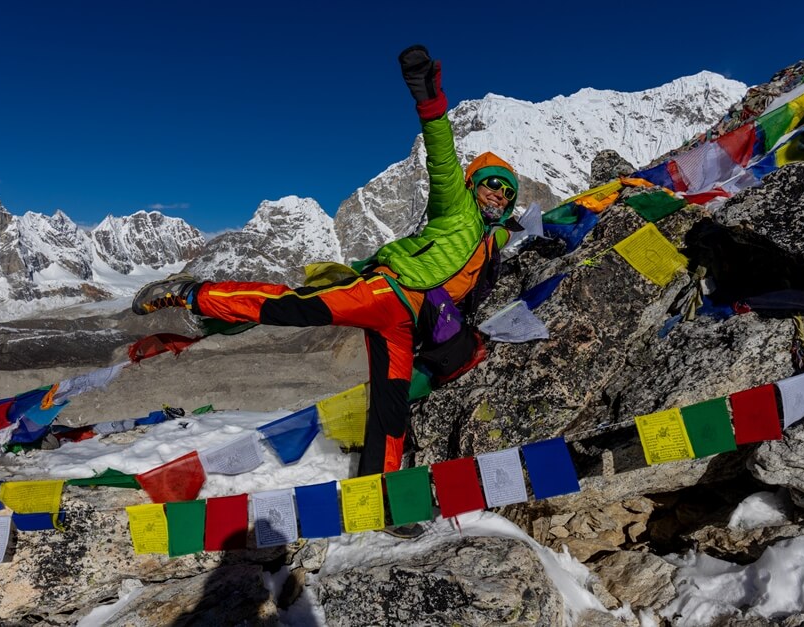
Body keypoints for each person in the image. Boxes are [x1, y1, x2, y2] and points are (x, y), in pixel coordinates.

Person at [131, 45, 520, 477]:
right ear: (473, 185)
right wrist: (429, 99)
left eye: (507, 193)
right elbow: (443, 156)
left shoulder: (494, 237)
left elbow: (527, 225)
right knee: (292, 306)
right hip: (386, 291)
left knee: (390, 405)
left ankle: (383, 494)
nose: (499, 195)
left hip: (405, 325)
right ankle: (191, 293)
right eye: (492, 185)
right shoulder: (456, 207)